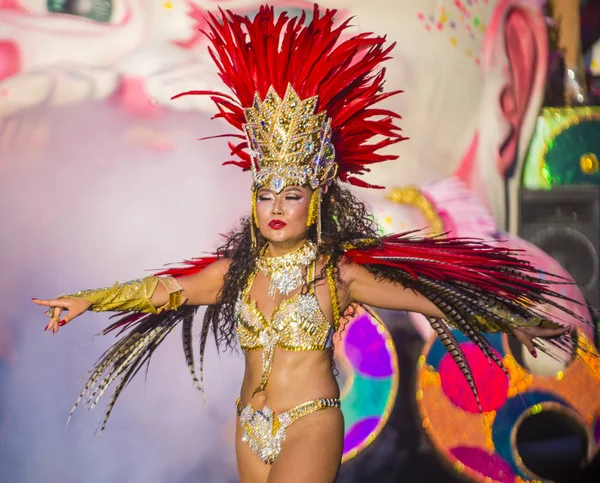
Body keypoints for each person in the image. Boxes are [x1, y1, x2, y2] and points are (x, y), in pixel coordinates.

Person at [32, 5, 581, 483]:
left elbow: (430, 297)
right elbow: (167, 291)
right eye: (265, 193)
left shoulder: (338, 273)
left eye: (290, 194)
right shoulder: (237, 272)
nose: (274, 207)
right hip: (250, 425)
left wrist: (518, 319)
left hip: (309, 423)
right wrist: (88, 300)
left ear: (315, 200)